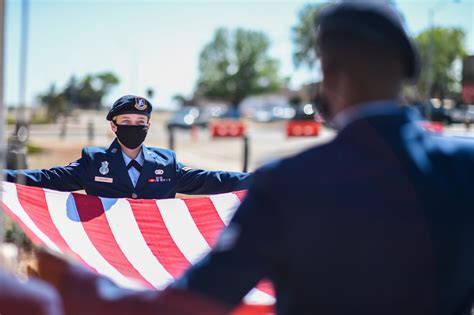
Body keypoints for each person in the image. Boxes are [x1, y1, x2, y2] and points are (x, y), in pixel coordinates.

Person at [35, 2, 474, 314]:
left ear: (328, 72)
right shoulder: (466, 165)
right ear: (406, 71)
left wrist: (78, 287)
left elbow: (192, 304)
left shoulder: (289, 184)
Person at [4, 95, 251, 199]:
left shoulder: (166, 164)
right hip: (106, 252)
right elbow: (48, 179)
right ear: (114, 126)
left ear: (148, 125)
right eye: (127, 122)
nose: (134, 127)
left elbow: (212, 180)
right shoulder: (94, 162)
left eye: (140, 122)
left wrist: (261, 179)